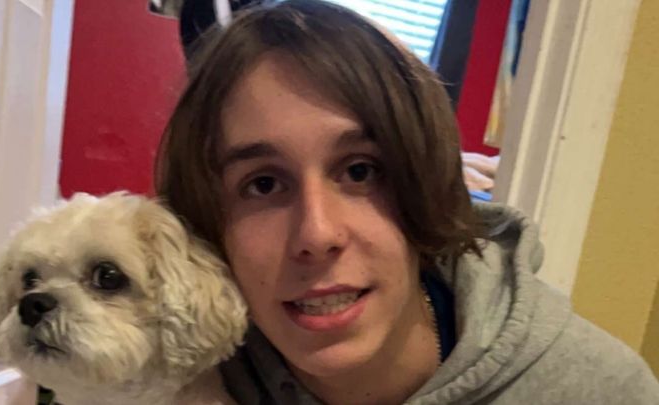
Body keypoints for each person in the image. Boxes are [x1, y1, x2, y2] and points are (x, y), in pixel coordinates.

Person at [154, 1, 659, 404]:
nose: (317, 233)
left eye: (360, 171)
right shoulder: (176, 379)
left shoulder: (596, 390)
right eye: (263, 184)